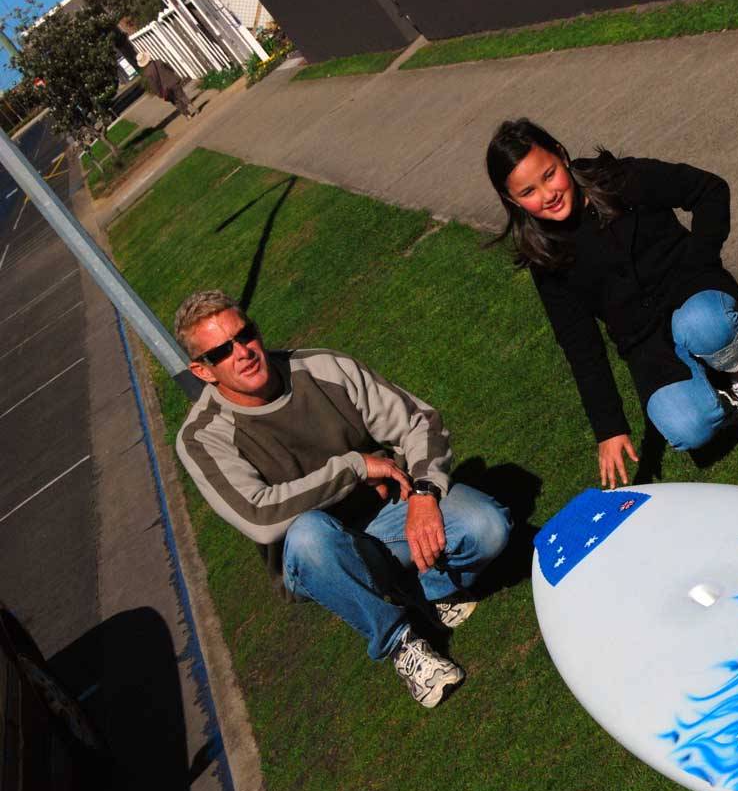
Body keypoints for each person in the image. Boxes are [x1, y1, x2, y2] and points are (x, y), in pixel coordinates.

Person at [173, 290, 511, 708]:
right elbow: (260, 515)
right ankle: (402, 643)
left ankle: (428, 589)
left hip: (387, 514)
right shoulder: (201, 437)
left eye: (245, 335)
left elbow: (418, 421)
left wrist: (425, 494)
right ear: (202, 371)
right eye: (221, 351)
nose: (242, 352)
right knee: (309, 535)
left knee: (487, 527)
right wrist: (353, 469)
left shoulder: (322, 367)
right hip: (316, 555)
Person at [486, 118, 738, 488]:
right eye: (528, 192)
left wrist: (699, 266)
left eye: (549, 175)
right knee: (688, 430)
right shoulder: (544, 257)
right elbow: (580, 345)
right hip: (644, 341)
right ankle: (715, 396)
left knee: (705, 324)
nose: (547, 194)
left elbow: (709, 190)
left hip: (693, 295)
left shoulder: (621, 179)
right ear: (511, 199)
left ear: (561, 155)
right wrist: (609, 428)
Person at [136, 50, 195, 119]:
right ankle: (190, 104)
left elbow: (154, 85)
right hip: (173, 81)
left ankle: (187, 114)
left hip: (166, 89)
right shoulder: (158, 62)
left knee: (175, 101)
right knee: (182, 95)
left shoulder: (147, 73)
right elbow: (170, 68)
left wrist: (159, 93)